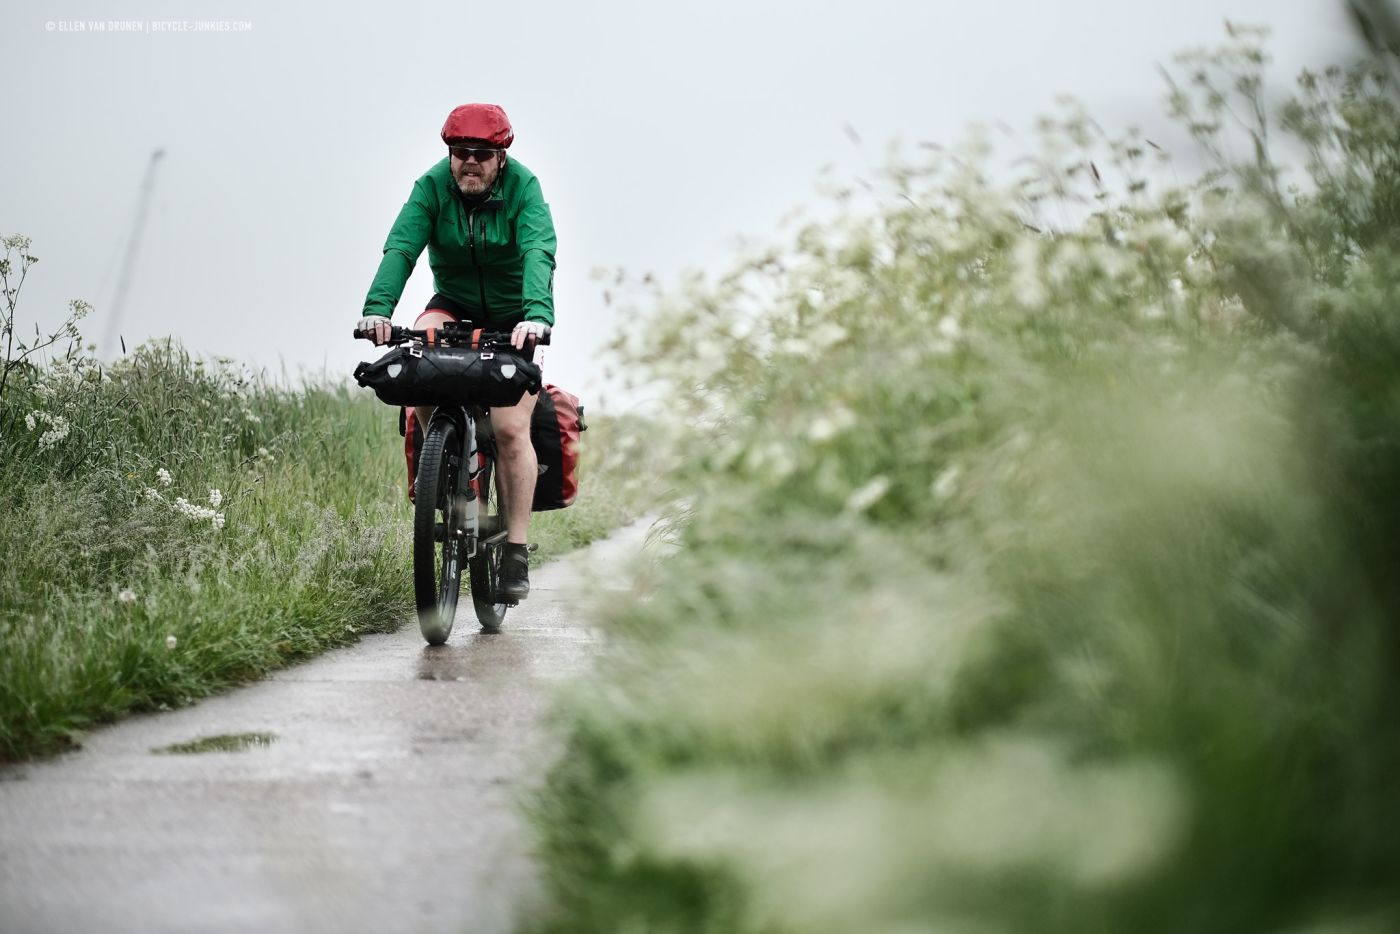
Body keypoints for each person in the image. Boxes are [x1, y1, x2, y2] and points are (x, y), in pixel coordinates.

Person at [356, 103, 556, 601]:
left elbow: (538, 250)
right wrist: (378, 309)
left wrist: (536, 315)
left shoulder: (524, 189)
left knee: (510, 429)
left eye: (482, 155)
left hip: (514, 316)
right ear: (449, 154)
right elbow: (402, 247)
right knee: (419, 356)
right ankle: (442, 461)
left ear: (501, 157)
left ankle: (515, 550)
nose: (470, 162)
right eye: (460, 153)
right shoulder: (431, 188)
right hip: (453, 306)